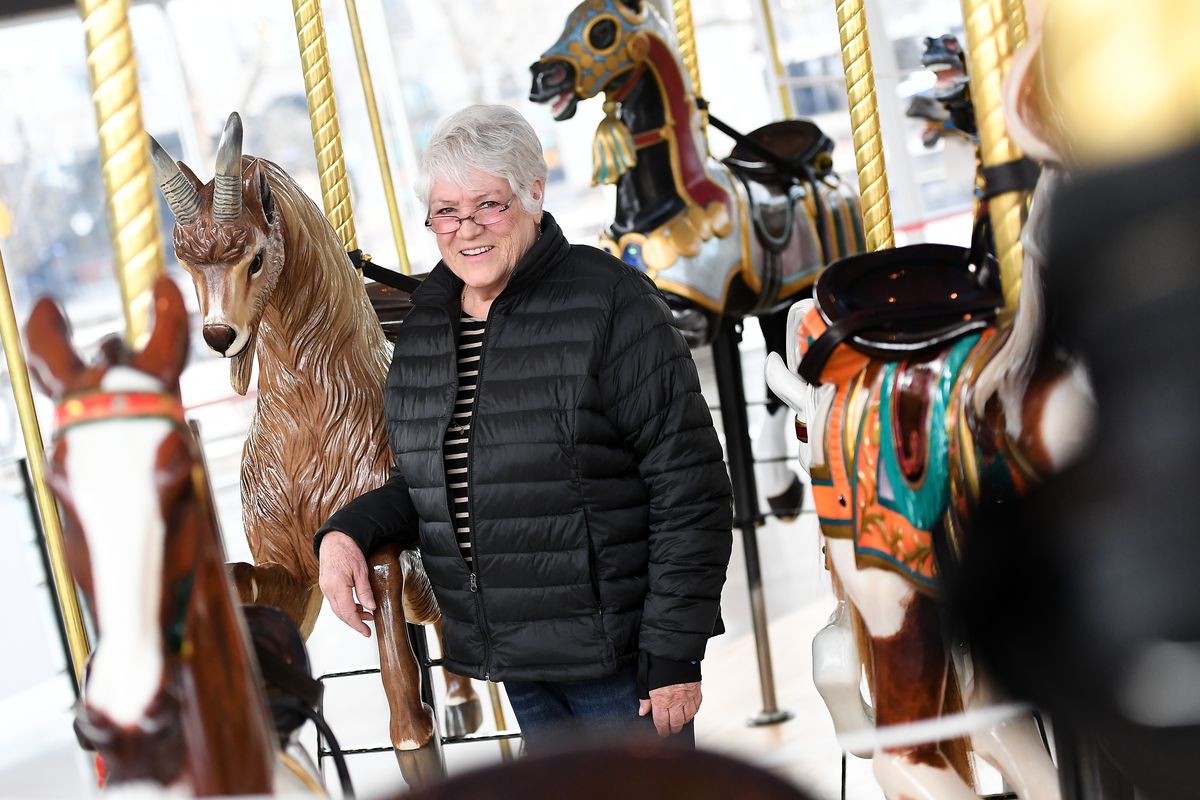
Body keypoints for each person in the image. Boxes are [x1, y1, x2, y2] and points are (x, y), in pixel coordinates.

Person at [314, 104, 732, 751]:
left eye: (490, 204)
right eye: (447, 211)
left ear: (535, 194)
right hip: (514, 657)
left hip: (618, 661)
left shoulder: (610, 302)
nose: (467, 229)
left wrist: (675, 651)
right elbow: (432, 479)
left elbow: (690, 488)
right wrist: (346, 531)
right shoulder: (428, 325)